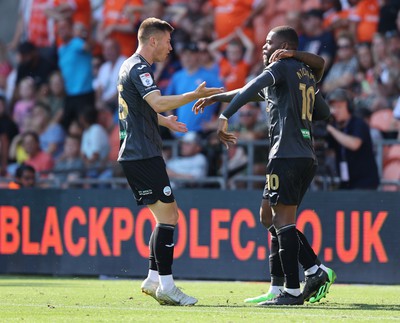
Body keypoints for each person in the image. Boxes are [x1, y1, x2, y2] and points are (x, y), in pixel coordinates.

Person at [193, 26, 335, 305]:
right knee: (268, 216)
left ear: (283, 46)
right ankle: (301, 275)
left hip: (286, 154)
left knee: (282, 221)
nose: (263, 47)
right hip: (304, 155)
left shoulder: (281, 67)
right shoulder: (301, 74)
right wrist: (219, 96)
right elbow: (324, 112)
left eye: (268, 42)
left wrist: (225, 114)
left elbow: (255, 86)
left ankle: (293, 290)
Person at [117, 17, 223, 306]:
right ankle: (167, 285)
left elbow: (138, 108)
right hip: (142, 153)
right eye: (166, 41)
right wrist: (194, 95)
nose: (170, 47)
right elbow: (157, 102)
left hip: (137, 152)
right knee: (170, 218)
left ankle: (153, 280)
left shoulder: (128, 65)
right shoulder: (140, 68)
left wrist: (165, 123)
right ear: (153, 40)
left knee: (164, 218)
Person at [326, 88, 380, 189]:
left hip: (365, 182)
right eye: (332, 107)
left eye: (339, 107)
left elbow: (355, 144)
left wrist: (331, 130)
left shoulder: (358, 123)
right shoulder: (334, 126)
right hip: (346, 182)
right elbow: (329, 152)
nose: (335, 111)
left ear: (349, 107)